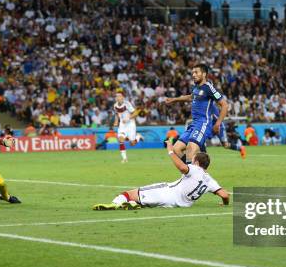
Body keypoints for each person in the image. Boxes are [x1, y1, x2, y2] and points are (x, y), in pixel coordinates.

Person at [92, 140, 230, 210]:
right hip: (177, 205)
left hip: (168, 192)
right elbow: (225, 195)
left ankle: (114, 204)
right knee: (143, 201)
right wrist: (224, 204)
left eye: (193, 160)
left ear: (197, 162)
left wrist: (170, 151)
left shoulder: (194, 169)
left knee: (130, 193)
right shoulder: (210, 180)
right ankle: (133, 204)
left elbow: (182, 167)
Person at [165, 63, 228, 163]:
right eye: (192, 72)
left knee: (191, 148)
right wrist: (174, 99)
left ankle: (192, 175)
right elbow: (190, 97)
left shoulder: (209, 88)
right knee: (176, 149)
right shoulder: (196, 88)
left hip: (203, 123)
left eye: (196, 72)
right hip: (194, 124)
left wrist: (218, 123)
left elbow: (224, 105)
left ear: (204, 74)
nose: (193, 75)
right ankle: (195, 172)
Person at [113, 92, 141, 163]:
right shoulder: (115, 105)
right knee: (120, 139)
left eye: (119, 96)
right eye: (116, 96)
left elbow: (136, 113)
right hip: (122, 125)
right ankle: (124, 158)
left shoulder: (127, 104)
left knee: (132, 143)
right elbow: (116, 114)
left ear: (122, 97)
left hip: (130, 124)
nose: (118, 98)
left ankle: (138, 137)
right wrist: (116, 121)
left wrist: (129, 118)